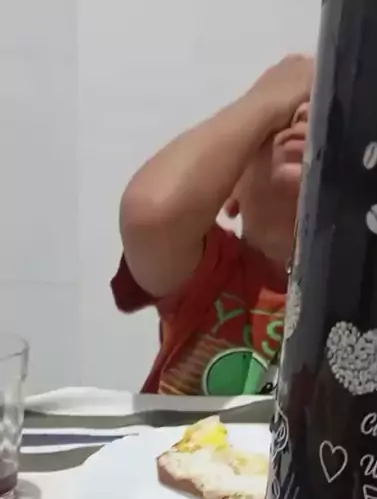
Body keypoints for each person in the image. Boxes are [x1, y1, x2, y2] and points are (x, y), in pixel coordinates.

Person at [111, 55, 313, 395]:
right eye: (274, 126)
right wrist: (266, 98)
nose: (303, 116)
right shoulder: (211, 272)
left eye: (325, 123)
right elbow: (150, 215)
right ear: (230, 191)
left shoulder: (370, 292)